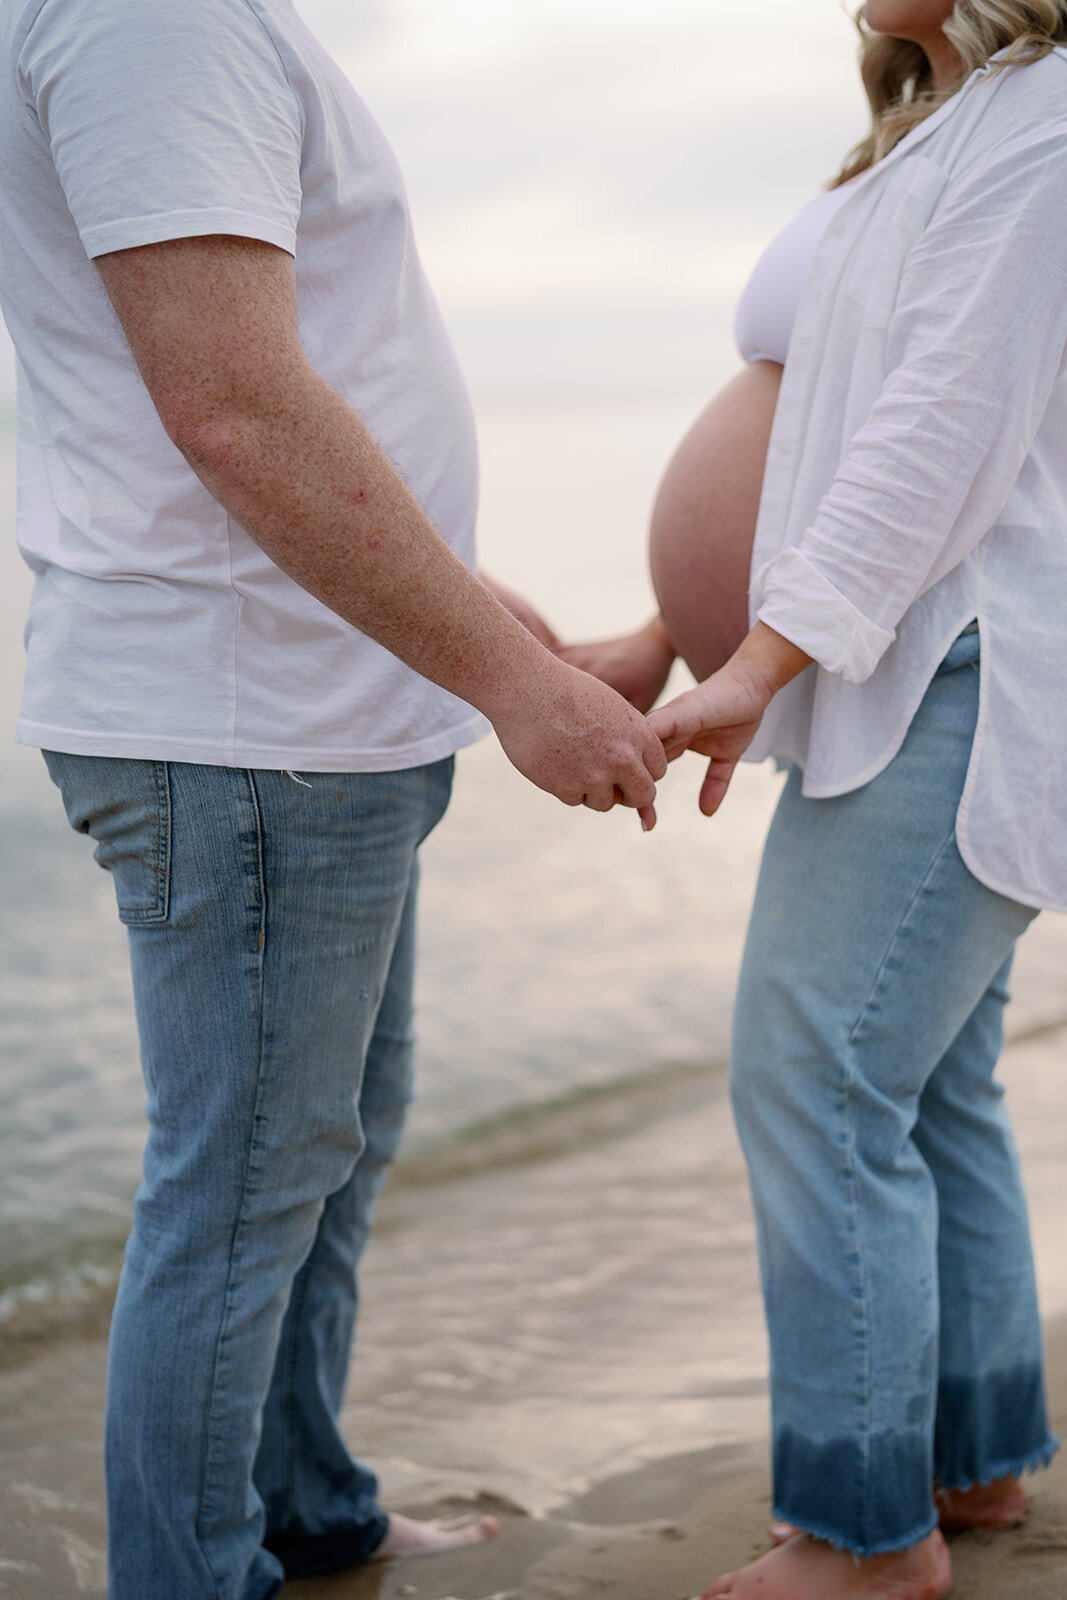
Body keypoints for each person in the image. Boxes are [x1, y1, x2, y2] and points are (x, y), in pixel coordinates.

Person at [0, 2, 668, 1597]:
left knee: (318, 1152)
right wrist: (515, 692)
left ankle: (308, 1509)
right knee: (238, 1191)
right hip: (245, 723)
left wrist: (500, 630)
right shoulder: (149, 13)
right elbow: (230, 405)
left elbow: (317, 389)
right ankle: (195, 1574)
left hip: (307, 710)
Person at [566, 3, 1067, 1596]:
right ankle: (972, 1453)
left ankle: (863, 1538)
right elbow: (820, 413)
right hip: (889, 665)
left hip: (956, 670)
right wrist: (671, 630)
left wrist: (761, 654)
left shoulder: (1051, 116)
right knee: (923, 1080)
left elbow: (941, 429)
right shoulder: (947, 120)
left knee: (818, 1067)